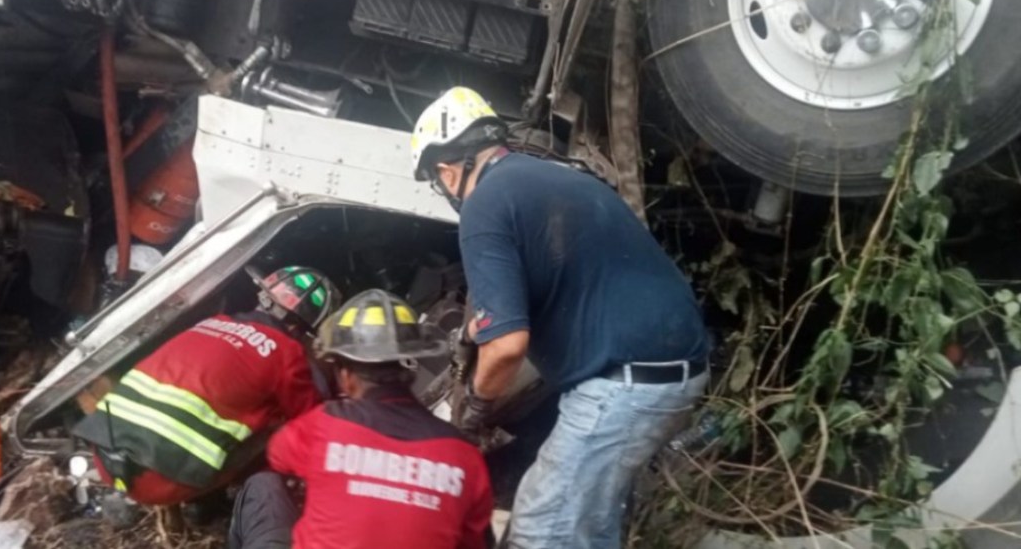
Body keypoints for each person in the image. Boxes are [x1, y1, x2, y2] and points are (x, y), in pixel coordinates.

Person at [410, 86, 710, 548]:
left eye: (436, 179)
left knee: (542, 528)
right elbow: (555, 281)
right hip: (670, 372)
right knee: (587, 523)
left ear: (448, 172)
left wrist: (472, 409)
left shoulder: (484, 206)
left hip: (626, 385)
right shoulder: (553, 177)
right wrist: (476, 330)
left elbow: (507, 348)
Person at [228, 289, 495, 549]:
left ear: (345, 374)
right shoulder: (465, 458)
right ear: (409, 366)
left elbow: (279, 455)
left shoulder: (320, 428)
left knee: (263, 485)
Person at [73, 266, 338, 506]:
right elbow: (312, 420)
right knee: (279, 423)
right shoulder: (287, 352)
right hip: (159, 485)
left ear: (263, 297)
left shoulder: (212, 322)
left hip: (105, 454)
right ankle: (214, 503)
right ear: (298, 328)